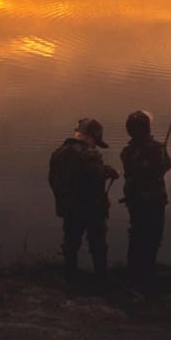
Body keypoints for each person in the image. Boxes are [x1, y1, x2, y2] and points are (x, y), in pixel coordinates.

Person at [48, 117, 119, 284]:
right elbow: (95, 175)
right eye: (95, 141)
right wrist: (110, 172)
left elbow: (52, 180)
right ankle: (100, 281)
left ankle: (70, 278)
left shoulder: (58, 154)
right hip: (91, 210)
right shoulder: (89, 154)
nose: (95, 145)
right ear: (89, 137)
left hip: (68, 209)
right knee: (97, 245)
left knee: (71, 244)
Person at [119, 110, 171, 285]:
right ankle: (145, 276)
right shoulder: (157, 149)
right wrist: (162, 147)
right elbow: (167, 166)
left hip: (135, 201)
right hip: (154, 201)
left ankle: (133, 273)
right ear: (147, 129)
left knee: (136, 234)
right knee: (153, 237)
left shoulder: (126, 152)